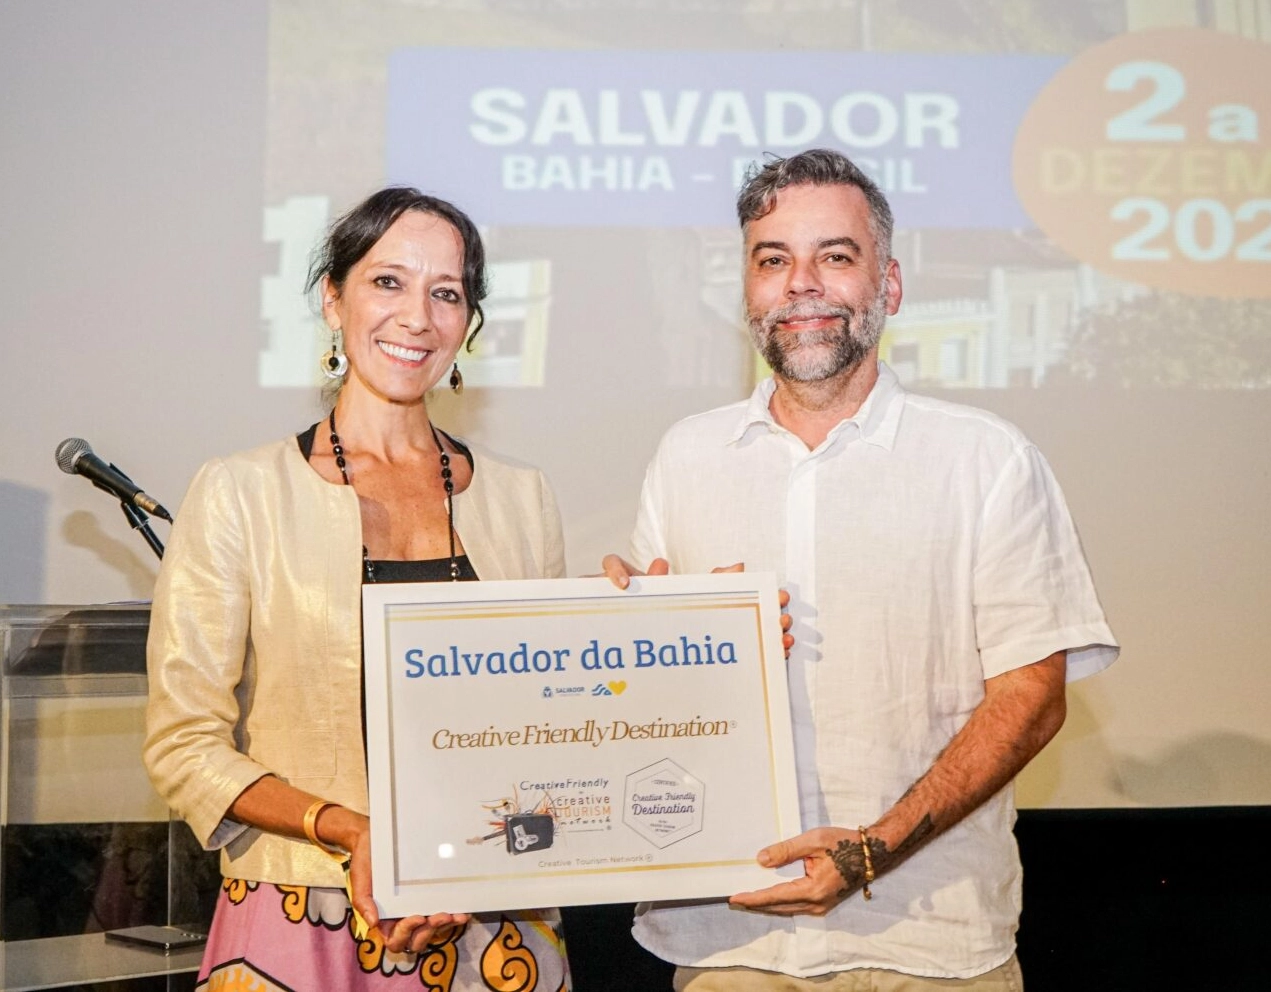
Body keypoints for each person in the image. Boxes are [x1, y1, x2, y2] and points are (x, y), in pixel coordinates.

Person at [604, 149, 1118, 990]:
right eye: (773, 260)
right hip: (726, 937)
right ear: (747, 289)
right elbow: (661, 695)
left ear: (889, 285)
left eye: (834, 256)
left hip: (929, 942)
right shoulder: (685, 456)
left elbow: (1030, 699)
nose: (800, 283)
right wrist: (625, 641)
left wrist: (870, 852)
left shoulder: (984, 459)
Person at [144, 188, 571, 991]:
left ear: (467, 324)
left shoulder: (523, 497)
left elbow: (543, 734)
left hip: (494, 923)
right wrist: (352, 831)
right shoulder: (241, 491)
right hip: (304, 921)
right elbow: (183, 745)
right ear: (331, 298)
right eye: (388, 282)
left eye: (445, 293)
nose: (417, 316)